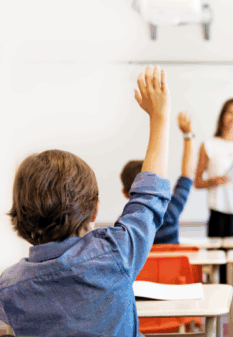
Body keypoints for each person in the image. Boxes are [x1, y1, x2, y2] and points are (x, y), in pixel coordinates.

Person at [0, 65, 172, 336]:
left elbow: (149, 196)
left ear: (21, 213)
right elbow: (149, 197)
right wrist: (159, 118)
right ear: (94, 211)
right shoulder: (115, 254)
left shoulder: (8, 287)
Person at [120, 111, 196, 244]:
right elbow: (187, 175)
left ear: (125, 193)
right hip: (173, 266)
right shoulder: (170, 212)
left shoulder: (124, 224)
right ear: (154, 185)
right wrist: (188, 135)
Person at [194, 98, 233, 238]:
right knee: (218, 258)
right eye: (230, 113)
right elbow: (197, 182)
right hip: (220, 214)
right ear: (223, 115)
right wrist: (214, 181)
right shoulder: (208, 145)